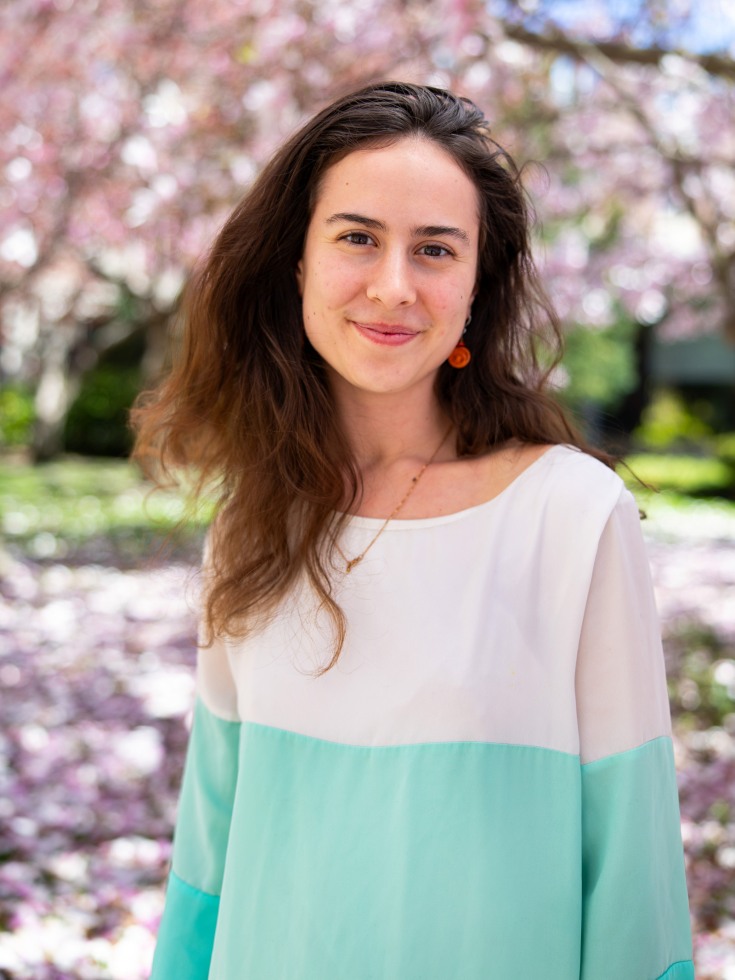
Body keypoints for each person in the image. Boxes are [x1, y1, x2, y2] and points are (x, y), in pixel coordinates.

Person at [133, 81, 693, 979]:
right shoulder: (249, 523)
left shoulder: (571, 515)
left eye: (435, 249)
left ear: (476, 288)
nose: (393, 286)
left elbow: (634, 882)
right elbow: (210, 853)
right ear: (296, 266)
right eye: (357, 237)